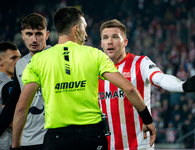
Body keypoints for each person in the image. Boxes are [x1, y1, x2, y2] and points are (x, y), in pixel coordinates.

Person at [11, 6, 156, 150]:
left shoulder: (38, 61)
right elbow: (129, 88)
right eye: (84, 28)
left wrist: (16, 145)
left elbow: (22, 108)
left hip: (58, 138)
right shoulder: (95, 54)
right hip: (91, 136)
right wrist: (147, 119)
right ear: (76, 29)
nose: (85, 33)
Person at [98, 19, 195, 150]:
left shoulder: (140, 63)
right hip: (109, 146)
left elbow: (160, 78)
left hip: (140, 145)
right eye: (105, 37)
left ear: (125, 42)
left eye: (115, 37)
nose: (110, 41)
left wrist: (182, 86)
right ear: (101, 43)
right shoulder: (96, 70)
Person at [0, 13, 51, 150]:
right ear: (22, 35)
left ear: (47, 35)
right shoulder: (21, 64)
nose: (34, 39)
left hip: (52, 137)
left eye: (38, 34)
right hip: (28, 139)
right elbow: (13, 104)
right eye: (29, 34)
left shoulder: (57, 57)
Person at [0, 41, 21, 150]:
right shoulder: (8, 85)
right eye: (13, 58)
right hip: (4, 143)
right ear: (0, 61)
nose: (18, 62)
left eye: (19, 58)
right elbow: (11, 122)